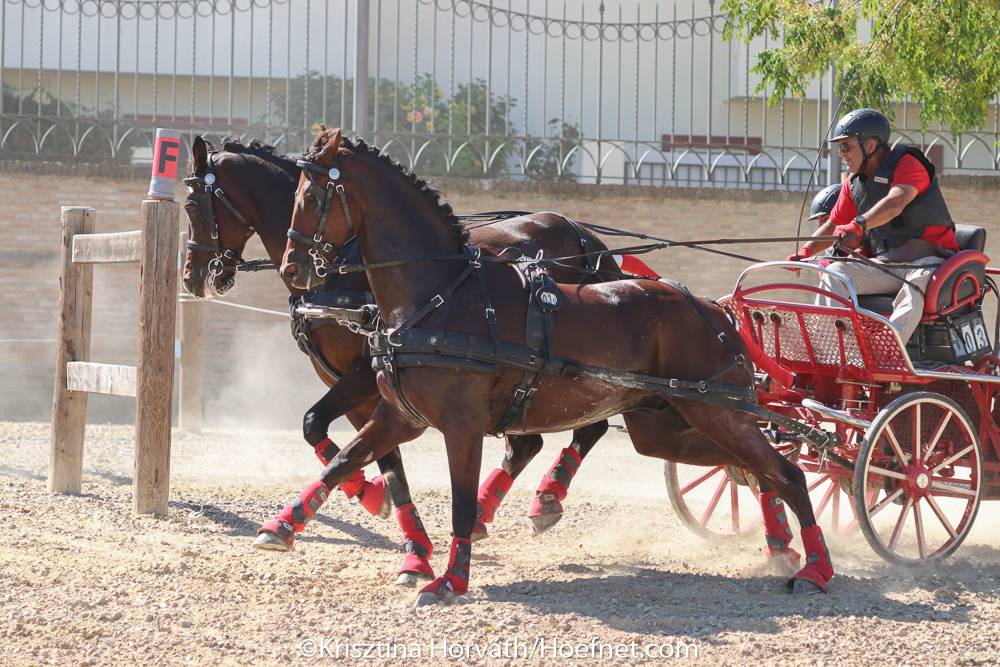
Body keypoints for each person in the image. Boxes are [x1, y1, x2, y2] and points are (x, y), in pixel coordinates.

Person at [786, 108, 957, 343]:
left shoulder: (908, 162)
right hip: (887, 265)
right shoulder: (852, 184)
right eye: (839, 148)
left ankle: (889, 349)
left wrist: (859, 225)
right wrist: (804, 251)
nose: (842, 154)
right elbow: (834, 224)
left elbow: (895, 202)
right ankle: (828, 345)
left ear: (870, 145)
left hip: (930, 262)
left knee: (915, 289)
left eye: (847, 146)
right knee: (836, 273)